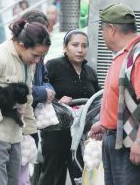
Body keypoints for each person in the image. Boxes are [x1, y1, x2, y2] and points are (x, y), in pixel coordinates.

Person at [89, 3, 140, 185]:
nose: (102, 36)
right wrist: (104, 123)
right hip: (116, 140)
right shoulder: (123, 55)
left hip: (133, 145)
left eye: (102, 30)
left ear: (111, 29)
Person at [0, 18, 50, 185]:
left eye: (41, 57)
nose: (37, 61)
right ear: (21, 44)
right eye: (35, 55)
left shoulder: (29, 61)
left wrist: (31, 132)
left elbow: (27, 99)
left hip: (15, 137)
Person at [38, 29, 101, 185]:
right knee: (52, 173)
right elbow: (40, 91)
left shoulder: (90, 71)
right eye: (75, 45)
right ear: (65, 47)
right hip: (56, 131)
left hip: (82, 133)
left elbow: (99, 97)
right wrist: (58, 100)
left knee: (80, 173)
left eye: (84, 46)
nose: (80, 50)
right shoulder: (53, 65)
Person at [17, 10, 55, 185]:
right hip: (16, 123)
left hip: (30, 123)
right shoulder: (16, 55)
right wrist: (43, 92)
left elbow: (45, 79)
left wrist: (48, 89)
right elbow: (19, 88)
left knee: (26, 174)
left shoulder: (39, 55)